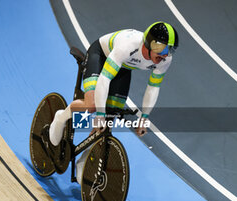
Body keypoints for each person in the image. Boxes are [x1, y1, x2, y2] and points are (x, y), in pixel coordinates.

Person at [49, 21, 179, 147]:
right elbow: (105, 79)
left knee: (109, 119)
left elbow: (153, 87)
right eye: (161, 48)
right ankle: (61, 117)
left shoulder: (165, 60)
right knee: (92, 105)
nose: (165, 54)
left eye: (170, 49)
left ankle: (85, 160)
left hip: (123, 67)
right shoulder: (129, 45)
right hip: (101, 55)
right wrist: (100, 114)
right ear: (148, 43)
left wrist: (144, 118)